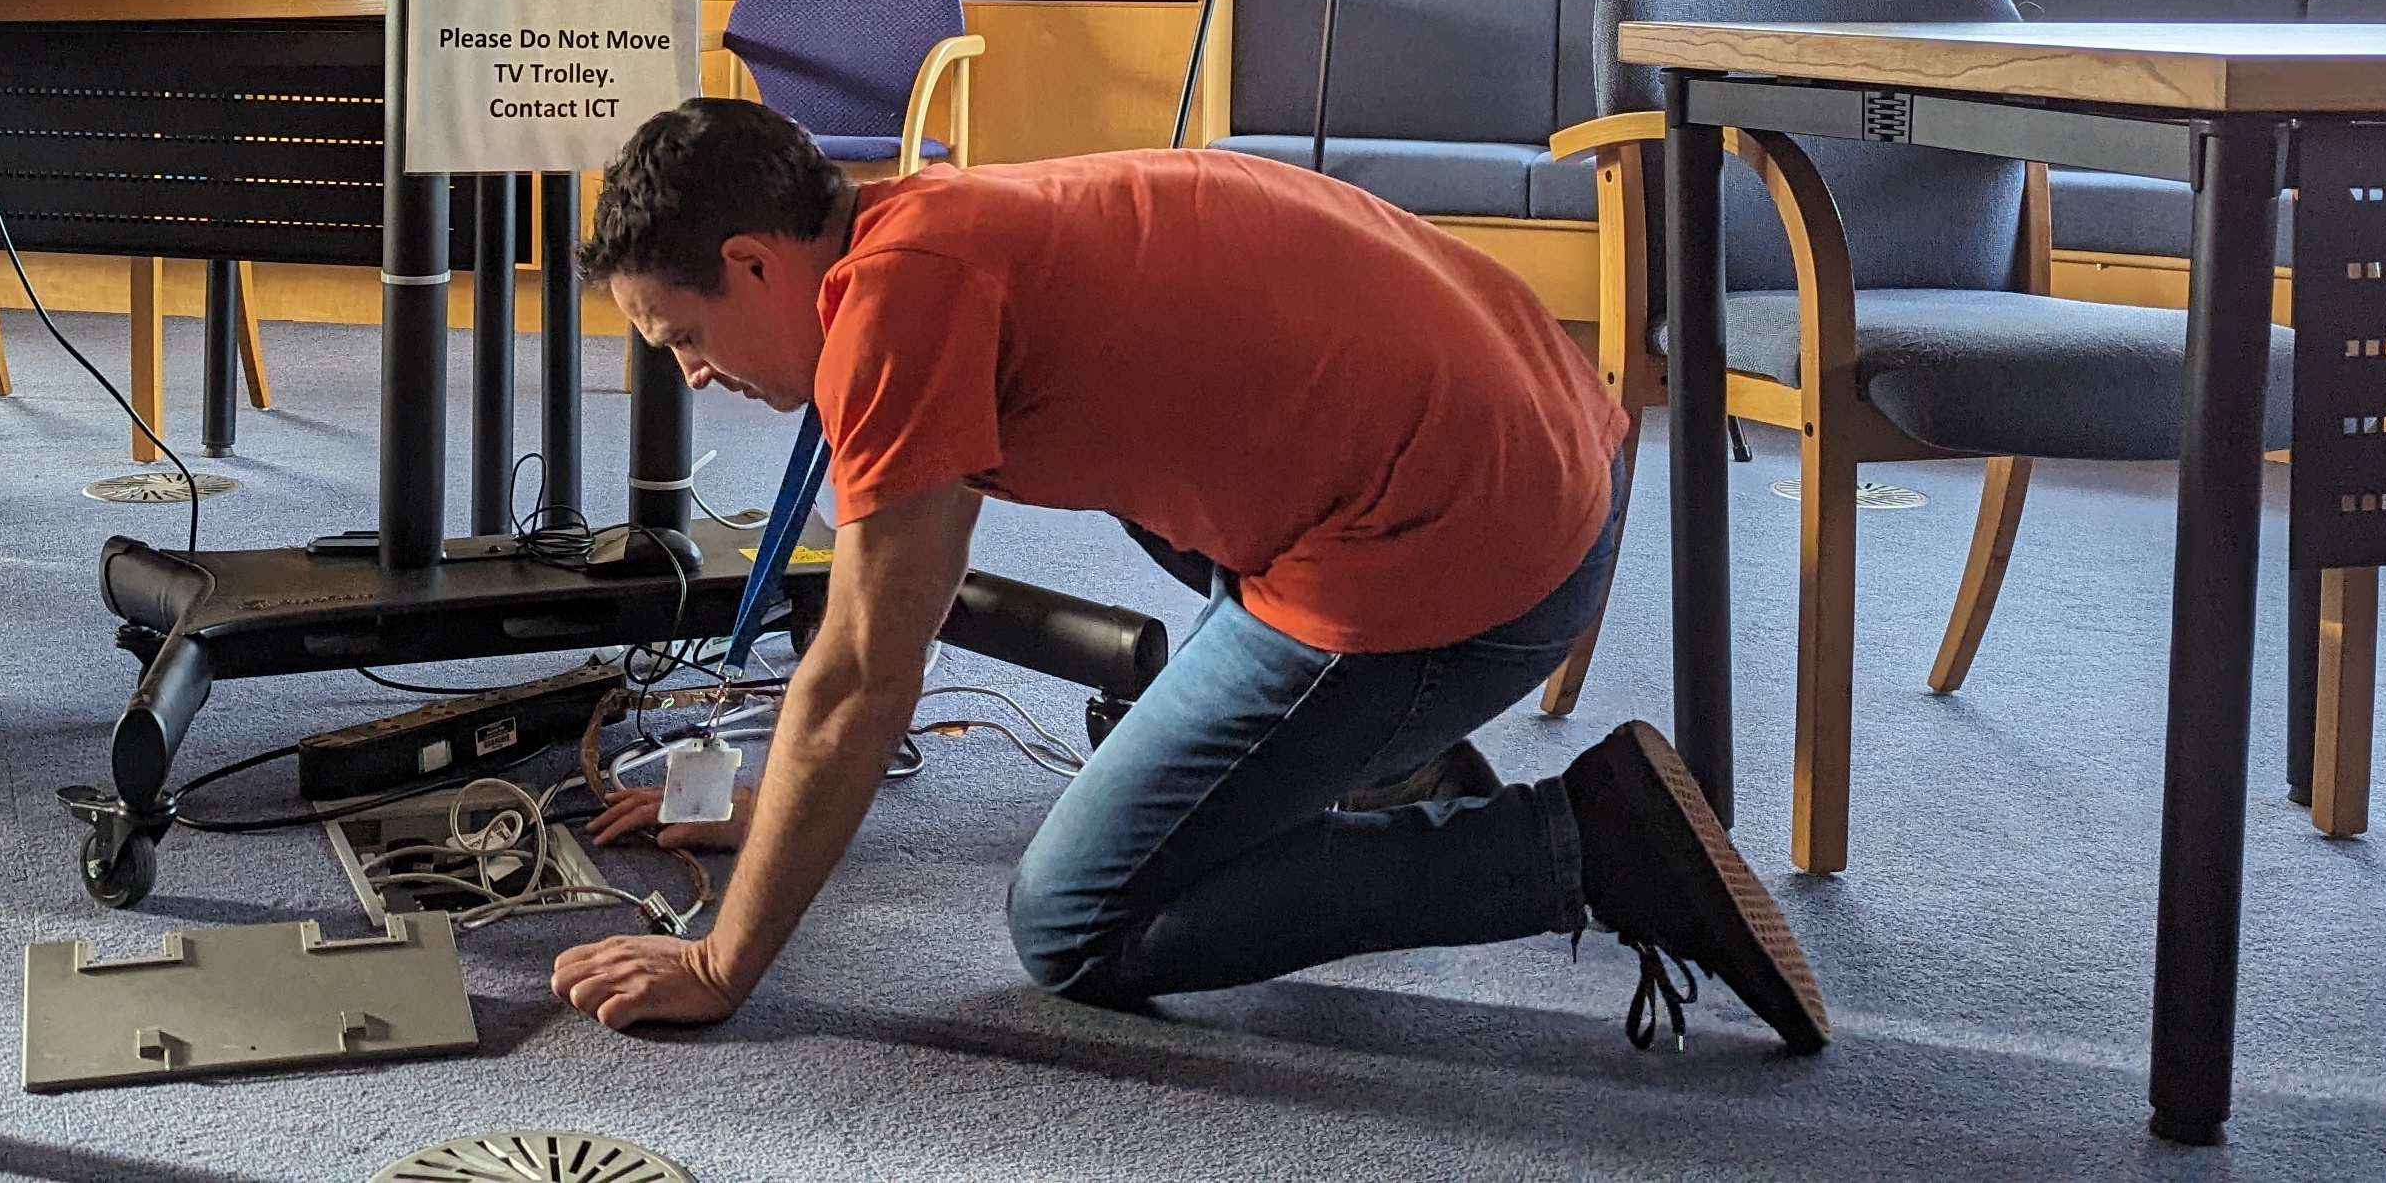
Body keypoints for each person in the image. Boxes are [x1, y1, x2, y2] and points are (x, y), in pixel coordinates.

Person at [545, 99, 1825, 1055]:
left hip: (1467, 552)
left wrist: (719, 960)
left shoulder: (894, 308)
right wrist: (775, 804)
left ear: (761, 264)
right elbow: (898, 603)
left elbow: (872, 666)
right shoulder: (938, 218)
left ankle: (1585, 845)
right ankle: (1385, 757)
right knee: (1142, 499)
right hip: (1548, 450)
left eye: (686, 338)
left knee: (1076, 928)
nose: (693, 376)